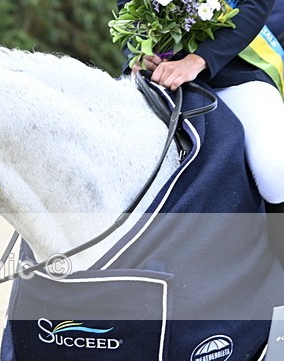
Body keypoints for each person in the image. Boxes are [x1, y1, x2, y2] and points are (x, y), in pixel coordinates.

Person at [118, 0, 284, 259]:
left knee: (274, 168)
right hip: (158, 73)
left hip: (234, 70)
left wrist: (198, 60)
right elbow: (128, 6)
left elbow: (256, 5)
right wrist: (140, 51)